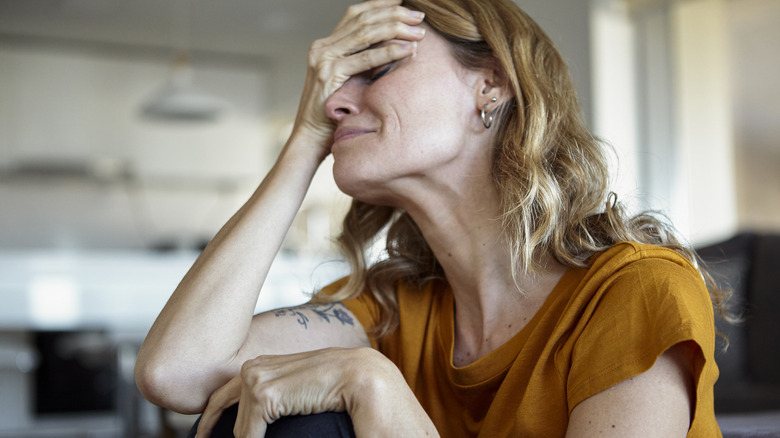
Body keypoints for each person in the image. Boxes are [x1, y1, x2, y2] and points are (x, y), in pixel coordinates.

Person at [134, 0, 729, 436]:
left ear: (490, 86)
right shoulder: (394, 309)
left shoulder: (635, 291)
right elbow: (176, 372)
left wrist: (377, 388)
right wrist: (305, 141)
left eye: (377, 69)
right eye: (335, 87)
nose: (335, 101)